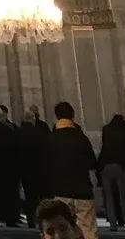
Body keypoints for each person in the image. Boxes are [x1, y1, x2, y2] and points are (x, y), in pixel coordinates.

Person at [43, 102, 97, 239]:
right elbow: (92, 163)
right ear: (73, 116)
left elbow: (45, 165)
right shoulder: (81, 138)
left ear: (56, 117)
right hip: (82, 189)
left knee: (61, 230)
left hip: (60, 190)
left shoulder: (50, 139)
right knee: (88, 229)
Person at [97, 112, 125, 229]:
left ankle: (113, 224)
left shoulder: (106, 129)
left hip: (106, 164)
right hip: (121, 165)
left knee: (109, 197)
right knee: (124, 197)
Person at [19, 111, 48, 225]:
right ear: (33, 120)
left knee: (29, 196)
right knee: (39, 195)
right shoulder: (39, 132)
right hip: (38, 169)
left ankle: (31, 220)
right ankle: (41, 219)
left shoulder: (18, 133)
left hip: (24, 170)